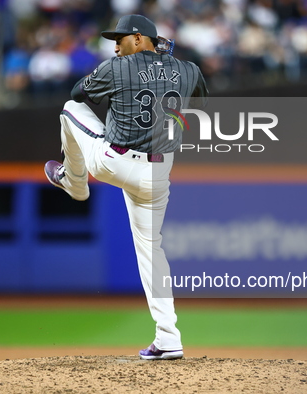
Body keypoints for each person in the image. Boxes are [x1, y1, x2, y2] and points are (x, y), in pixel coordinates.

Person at [44, 14, 208, 360]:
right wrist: (165, 63)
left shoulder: (116, 68)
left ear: (138, 38)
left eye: (121, 39)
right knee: (153, 250)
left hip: (115, 162)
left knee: (70, 109)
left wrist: (136, 71)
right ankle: (169, 336)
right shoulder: (187, 68)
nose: (115, 46)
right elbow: (200, 96)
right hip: (159, 174)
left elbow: (77, 93)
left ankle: (73, 182)